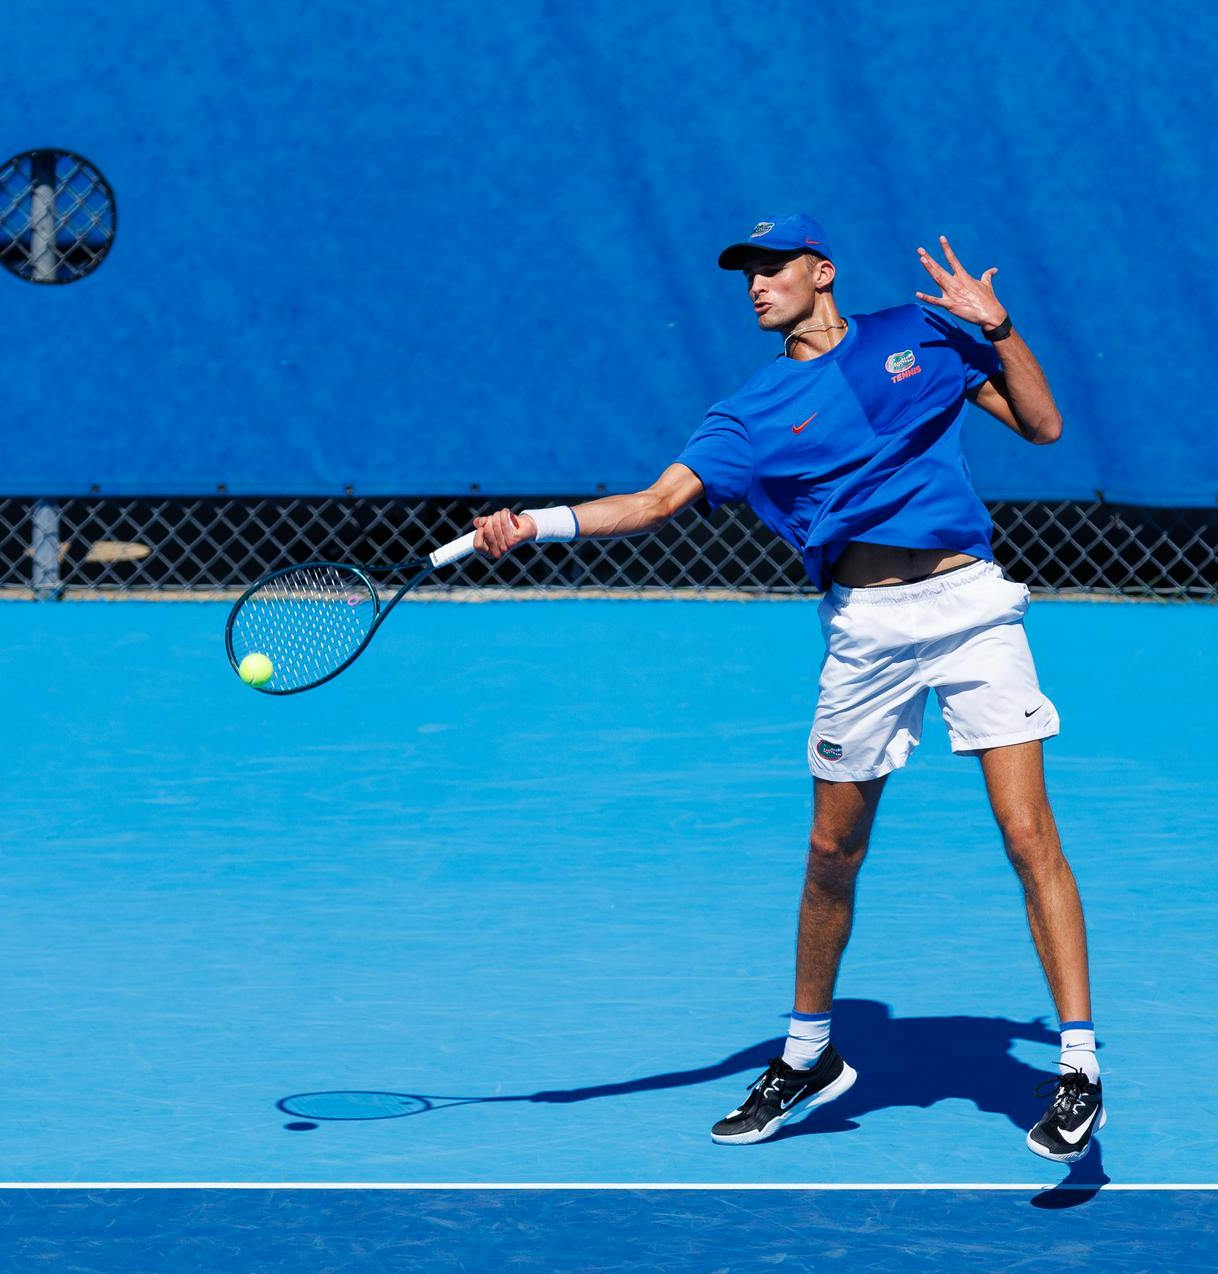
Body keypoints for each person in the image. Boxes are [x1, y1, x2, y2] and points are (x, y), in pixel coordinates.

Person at [471, 214, 1101, 1164]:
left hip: (972, 606)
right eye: (747, 274)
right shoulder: (749, 414)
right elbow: (652, 503)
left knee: (1026, 833)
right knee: (829, 852)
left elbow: (1045, 427)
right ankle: (808, 1052)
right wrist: (537, 522)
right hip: (864, 632)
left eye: (773, 268)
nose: (757, 285)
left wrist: (1001, 330)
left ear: (822, 271)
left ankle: (1079, 1067)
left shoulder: (920, 333)